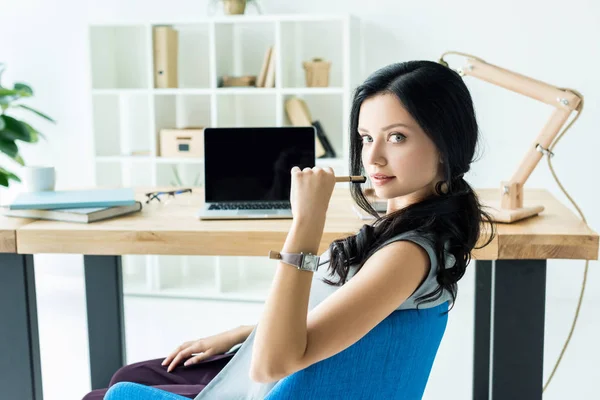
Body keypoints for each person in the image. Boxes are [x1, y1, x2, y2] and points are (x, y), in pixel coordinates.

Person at [82, 60, 496, 400]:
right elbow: (344, 312)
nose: (374, 157)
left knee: (109, 392)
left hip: (270, 382)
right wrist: (244, 333)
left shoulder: (406, 254)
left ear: (446, 145)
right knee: (136, 372)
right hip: (273, 374)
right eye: (367, 137)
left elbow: (271, 365)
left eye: (397, 137)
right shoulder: (414, 231)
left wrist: (305, 224)